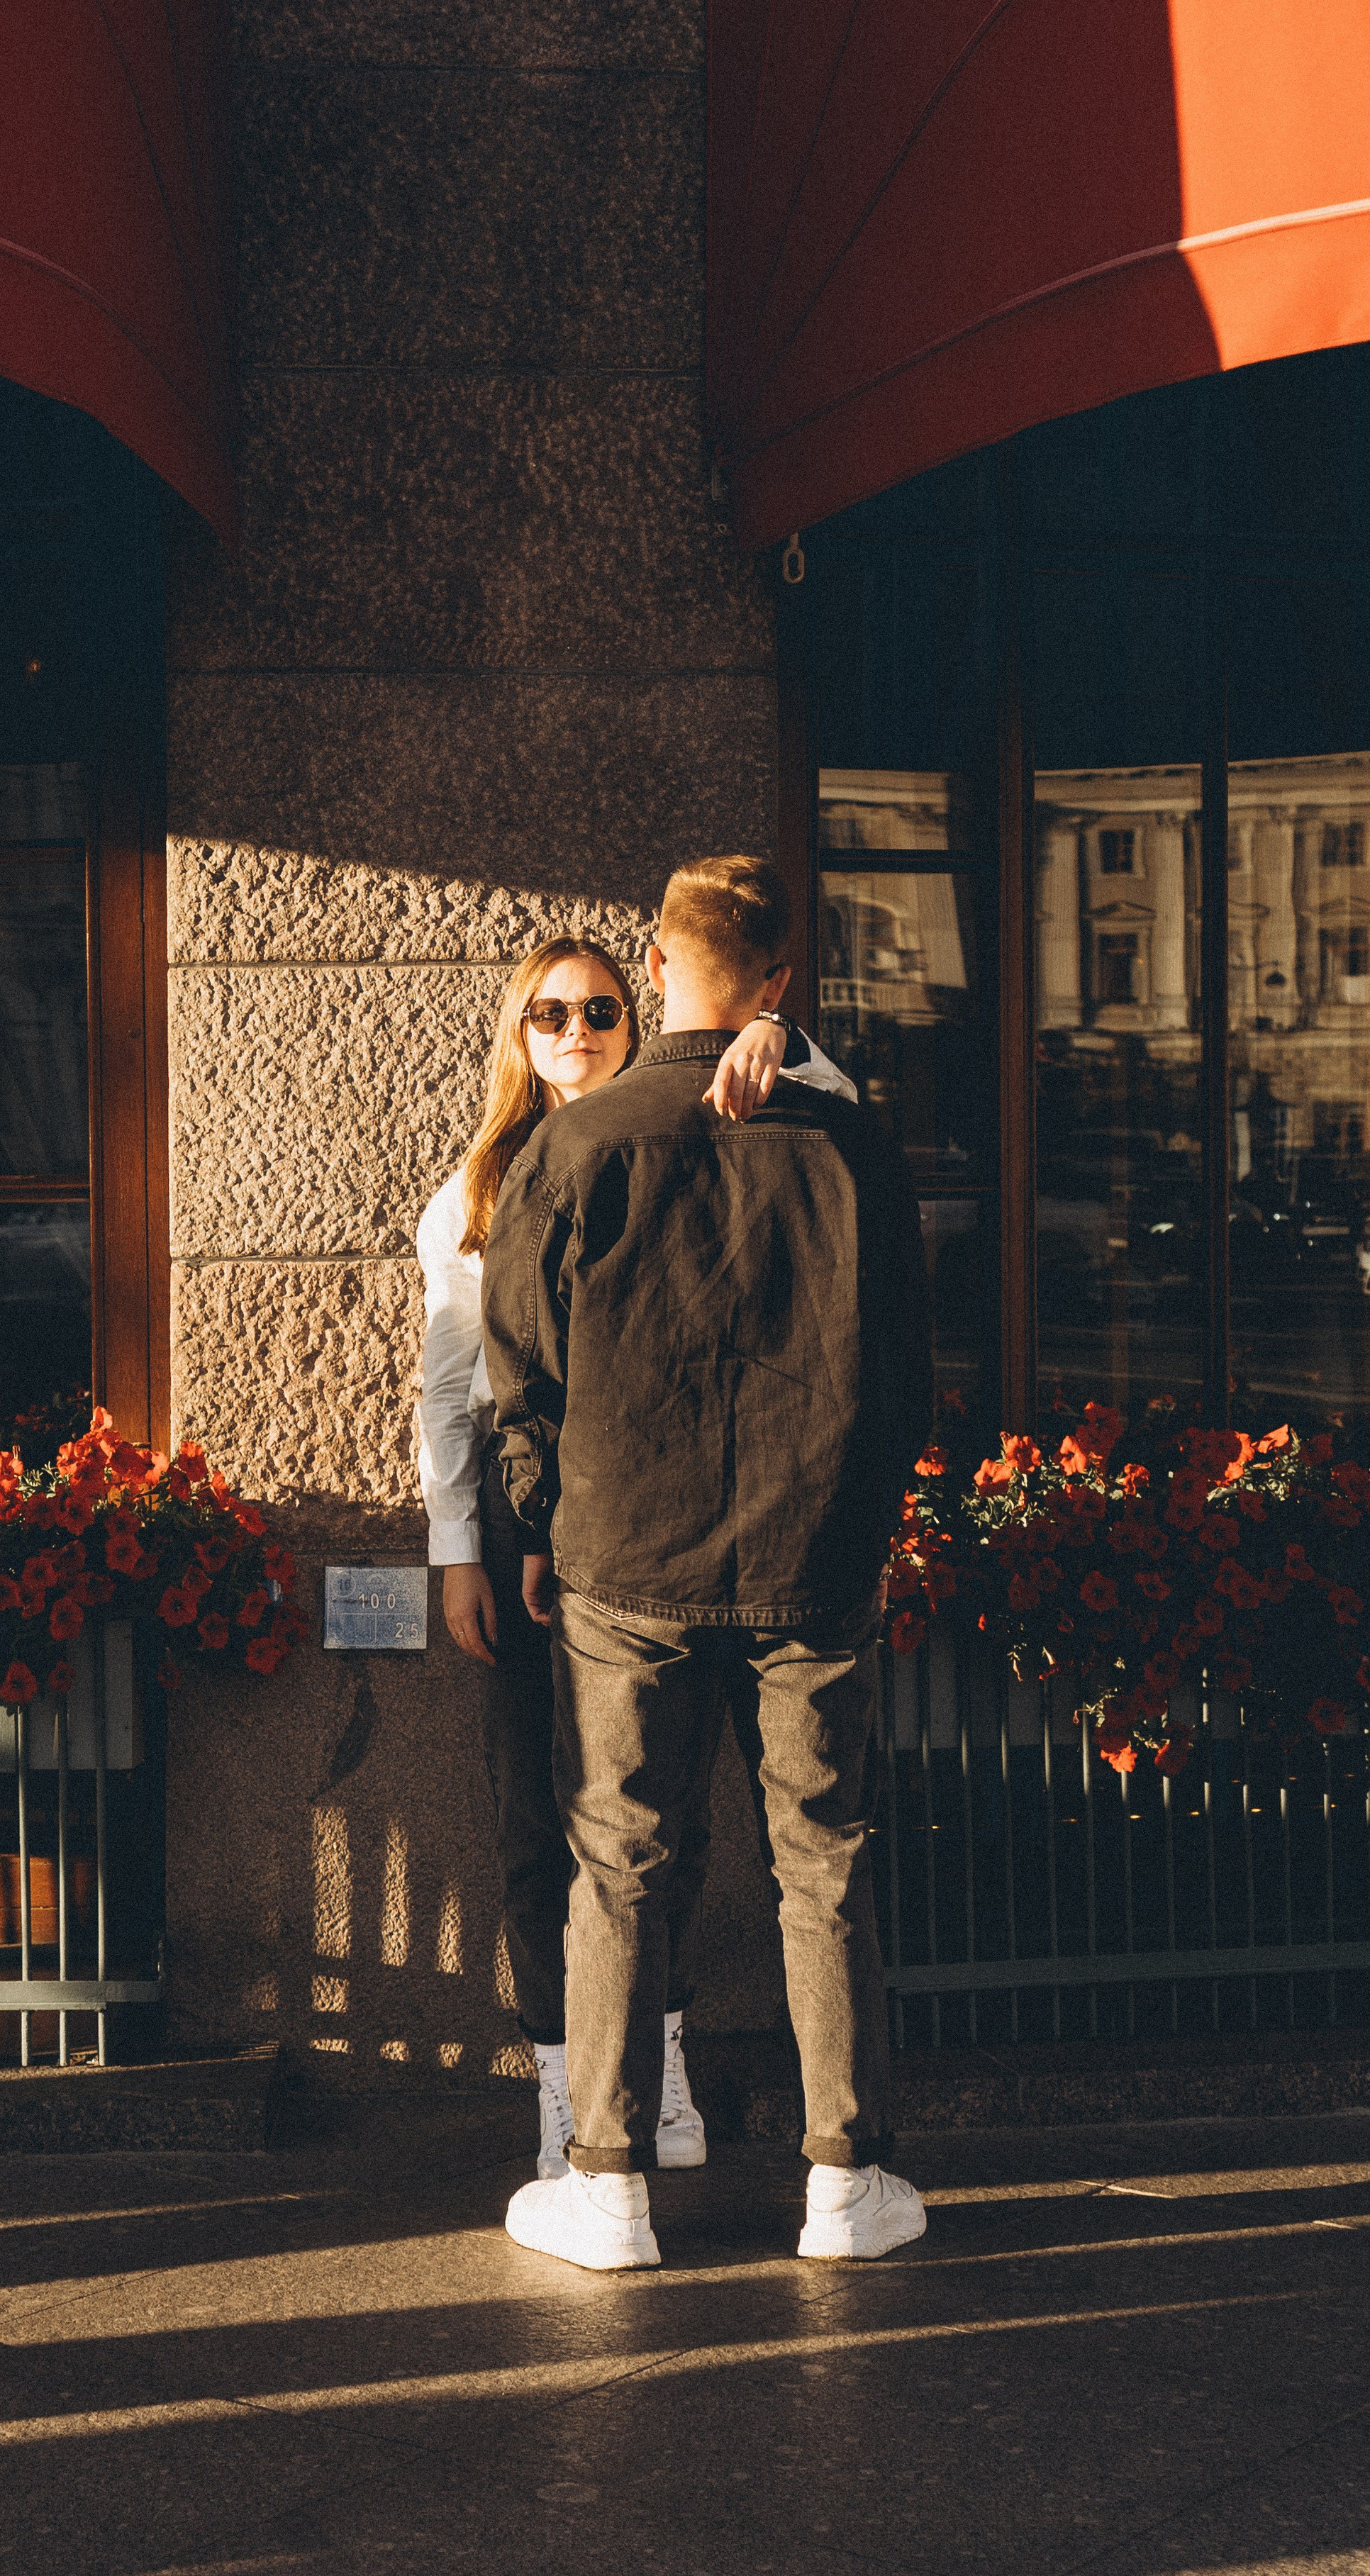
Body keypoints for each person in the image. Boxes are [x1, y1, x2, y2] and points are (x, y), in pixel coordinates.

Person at [480, 857, 932, 2271]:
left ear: (655, 964)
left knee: (616, 1855)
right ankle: (842, 2179)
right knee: (826, 1856)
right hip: (810, 1558)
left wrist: (542, 1513)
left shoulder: (584, 1140)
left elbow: (518, 1367)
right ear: (780, 984)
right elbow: (908, 1374)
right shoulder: (848, 1147)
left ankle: (607, 2184)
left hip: (624, 1556)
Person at [417, 932, 854, 2182]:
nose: (574, 1028)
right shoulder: (483, 1186)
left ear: (639, 1011)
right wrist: (461, 1553)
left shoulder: (711, 1122)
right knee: (535, 1818)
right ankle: (568, 2100)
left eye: (600, 1007)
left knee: (659, 1821)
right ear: (519, 1031)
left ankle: (651, 2098)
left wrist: (788, 1039)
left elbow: (845, 1122)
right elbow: (450, 1389)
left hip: (658, 1520)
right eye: (547, 1011)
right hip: (521, 1530)